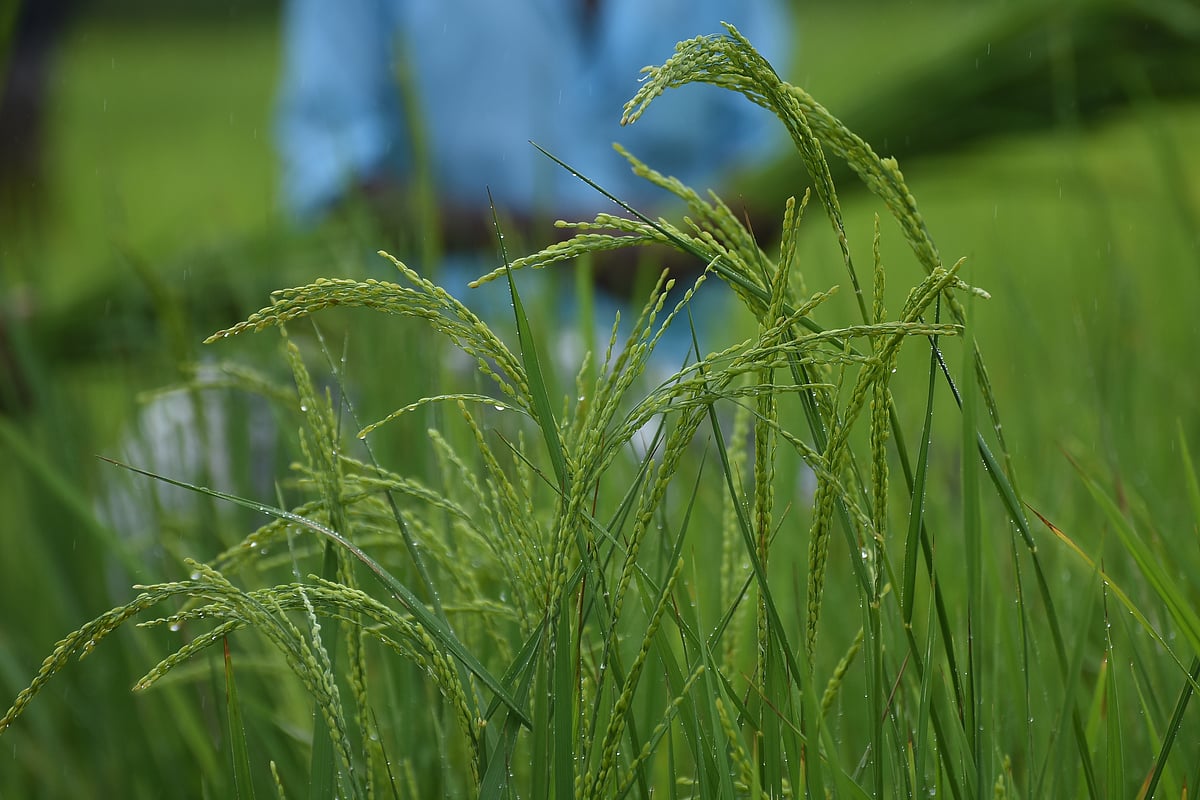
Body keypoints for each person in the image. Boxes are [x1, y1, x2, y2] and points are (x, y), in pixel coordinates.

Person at [274, 0, 789, 327]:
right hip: (451, 374)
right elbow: (338, 192)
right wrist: (579, 243)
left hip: (677, 392)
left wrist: (684, 243)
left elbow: (766, 181)